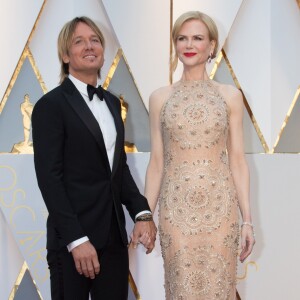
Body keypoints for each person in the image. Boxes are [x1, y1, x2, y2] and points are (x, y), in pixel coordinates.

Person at [32, 16, 156, 300]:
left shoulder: (113, 104)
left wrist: (142, 212)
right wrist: (76, 240)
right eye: (79, 41)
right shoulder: (50, 106)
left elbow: (118, 170)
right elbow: (50, 179)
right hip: (71, 243)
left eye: (95, 40)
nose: (89, 46)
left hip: (113, 241)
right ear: (65, 55)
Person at [144, 11, 255, 299]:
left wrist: (248, 220)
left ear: (211, 46)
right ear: (175, 45)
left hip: (221, 212)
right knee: (181, 287)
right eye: (182, 38)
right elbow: (157, 163)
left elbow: (238, 161)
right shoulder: (160, 97)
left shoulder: (230, 96)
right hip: (176, 213)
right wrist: (146, 215)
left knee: (220, 289)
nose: (189, 44)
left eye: (197, 38)